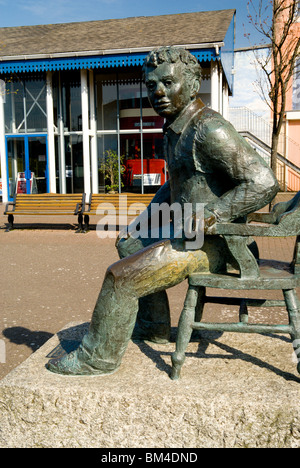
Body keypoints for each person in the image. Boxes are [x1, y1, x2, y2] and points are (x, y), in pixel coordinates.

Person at [47, 46, 279, 376]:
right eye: (152, 85)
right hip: (190, 234)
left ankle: (97, 358)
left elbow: (264, 182)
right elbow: (177, 184)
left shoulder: (209, 129)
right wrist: (145, 221)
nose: (158, 92)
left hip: (214, 244)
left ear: (193, 84)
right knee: (128, 244)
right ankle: (153, 328)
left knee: (121, 277)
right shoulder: (174, 129)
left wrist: (212, 214)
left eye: (168, 83)